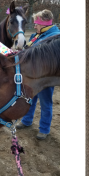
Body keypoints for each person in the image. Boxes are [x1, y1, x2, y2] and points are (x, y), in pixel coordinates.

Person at [16, 9, 60, 140]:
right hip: (33, 75)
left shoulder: (55, 38)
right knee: (30, 98)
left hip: (45, 77)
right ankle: (27, 121)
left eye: (37, 24)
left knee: (46, 103)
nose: (34, 26)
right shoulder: (37, 35)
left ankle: (44, 129)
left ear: (44, 24)